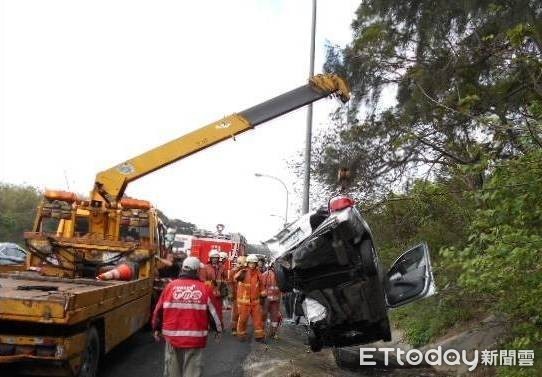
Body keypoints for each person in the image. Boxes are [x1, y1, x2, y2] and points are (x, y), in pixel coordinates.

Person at [152, 256, 222, 377]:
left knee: (172, 370)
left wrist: (156, 328)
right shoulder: (205, 289)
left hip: (173, 337)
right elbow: (214, 313)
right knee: (193, 371)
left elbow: (159, 310)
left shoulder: (170, 287)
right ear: (196, 271)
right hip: (195, 338)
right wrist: (218, 330)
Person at [235, 254, 266, 341]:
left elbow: (262, 285)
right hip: (244, 302)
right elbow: (235, 278)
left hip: (255, 301)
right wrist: (240, 270)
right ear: (247, 263)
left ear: (256, 264)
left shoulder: (258, 273)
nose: (252, 265)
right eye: (250, 263)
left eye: (254, 263)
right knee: (243, 319)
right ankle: (241, 335)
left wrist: (263, 294)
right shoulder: (243, 272)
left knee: (258, 319)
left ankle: (259, 336)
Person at [199, 250, 226, 323]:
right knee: (208, 310)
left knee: (218, 310)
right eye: (213, 258)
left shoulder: (222, 268)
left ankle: (219, 325)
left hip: (219, 293)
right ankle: (207, 324)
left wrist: (224, 288)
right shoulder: (205, 268)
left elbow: (225, 278)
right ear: (210, 258)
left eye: (216, 258)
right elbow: (202, 280)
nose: (215, 259)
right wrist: (211, 283)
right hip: (209, 293)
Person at [262, 263, 282, 339]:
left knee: (275, 316)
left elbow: (282, 286)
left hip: (276, 299)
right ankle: (262, 332)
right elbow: (261, 286)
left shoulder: (280, 275)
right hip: (267, 298)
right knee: (264, 315)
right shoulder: (266, 274)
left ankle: (273, 333)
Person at [227, 255, 246, 335]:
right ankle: (234, 329)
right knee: (235, 313)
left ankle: (241, 329)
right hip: (236, 295)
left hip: (245, 296)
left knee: (244, 314)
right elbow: (230, 283)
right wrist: (231, 293)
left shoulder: (246, 271)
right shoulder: (233, 271)